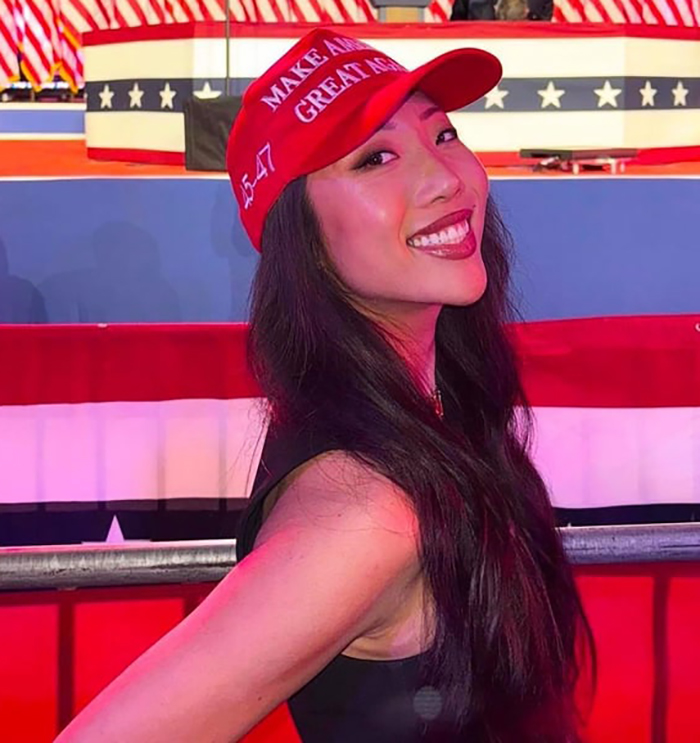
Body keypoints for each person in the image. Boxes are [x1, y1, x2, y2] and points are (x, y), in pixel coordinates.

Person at [55, 28, 595, 743]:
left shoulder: (435, 410)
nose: (446, 179)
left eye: (444, 134)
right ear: (302, 237)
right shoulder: (366, 514)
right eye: (376, 158)